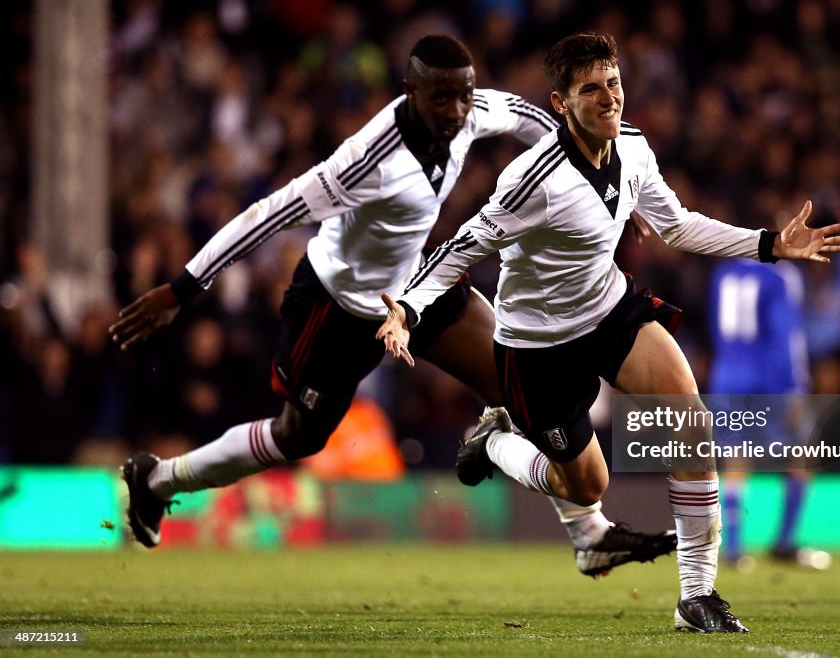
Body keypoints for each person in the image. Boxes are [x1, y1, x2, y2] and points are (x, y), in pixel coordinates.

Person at [110, 34, 676, 577]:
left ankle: (590, 537)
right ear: (410, 91)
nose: (458, 109)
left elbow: (541, 122)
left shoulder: (473, 110)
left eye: (464, 93)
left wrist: (609, 177)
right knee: (298, 437)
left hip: (417, 286)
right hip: (338, 306)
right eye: (441, 97)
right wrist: (182, 289)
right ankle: (157, 481)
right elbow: (271, 212)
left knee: (516, 383)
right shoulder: (367, 161)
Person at [377, 32, 840, 633]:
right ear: (561, 104)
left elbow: (676, 226)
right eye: (590, 90)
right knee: (584, 486)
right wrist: (408, 310)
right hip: (538, 343)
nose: (609, 98)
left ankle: (696, 596)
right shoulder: (534, 180)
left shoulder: (633, 148)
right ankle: (497, 442)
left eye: (614, 84)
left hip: (608, 310)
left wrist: (768, 244)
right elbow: (462, 247)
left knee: (691, 423)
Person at [707, 257, 831, 571]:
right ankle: (785, 544)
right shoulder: (780, 275)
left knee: (736, 456)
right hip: (768, 378)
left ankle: (734, 549)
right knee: (803, 453)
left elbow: (714, 326)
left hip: (727, 376)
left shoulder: (723, 273)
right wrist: (793, 388)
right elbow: (785, 336)